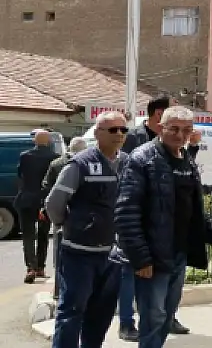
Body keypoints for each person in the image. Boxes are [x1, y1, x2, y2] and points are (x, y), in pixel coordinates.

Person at [114, 106, 212, 348]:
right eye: (174, 129)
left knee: (166, 316)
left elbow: (193, 208)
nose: (180, 135)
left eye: (186, 130)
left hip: (178, 253)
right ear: (160, 128)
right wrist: (141, 258)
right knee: (153, 317)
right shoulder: (142, 159)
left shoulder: (185, 158)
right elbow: (126, 212)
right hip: (153, 257)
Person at [45, 111, 130, 348]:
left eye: (124, 130)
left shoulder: (127, 163)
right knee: (71, 314)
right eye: (113, 130)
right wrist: (72, 226)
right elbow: (54, 204)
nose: (119, 135)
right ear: (98, 133)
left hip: (110, 256)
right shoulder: (80, 164)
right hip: (78, 255)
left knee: (101, 316)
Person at [118, 94, 175, 341]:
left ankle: (167, 317)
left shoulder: (171, 142)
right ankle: (126, 323)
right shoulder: (134, 139)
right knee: (132, 270)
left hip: (162, 221)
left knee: (162, 282)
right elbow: (125, 173)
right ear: (158, 114)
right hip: (137, 214)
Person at [43, 137, 87, 301]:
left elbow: (46, 186)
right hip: (79, 216)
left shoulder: (56, 164)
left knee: (59, 250)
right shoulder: (86, 164)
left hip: (60, 212)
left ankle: (59, 290)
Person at [17, 129, 59, 283]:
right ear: (48, 142)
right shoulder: (55, 158)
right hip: (44, 201)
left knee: (28, 235)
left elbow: (20, 175)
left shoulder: (25, 156)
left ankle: (30, 268)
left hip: (26, 200)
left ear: (34, 141)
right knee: (43, 234)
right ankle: (41, 267)